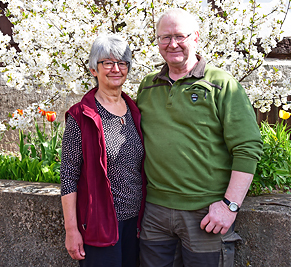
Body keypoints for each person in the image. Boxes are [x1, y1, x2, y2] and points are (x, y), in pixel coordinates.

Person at [136, 8, 263, 267]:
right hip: (155, 213)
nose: (172, 44)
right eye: (164, 37)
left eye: (180, 36)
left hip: (205, 213)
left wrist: (230, 205)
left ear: (195, 37)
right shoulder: (147, 86)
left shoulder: (222, 84)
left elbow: (247, 147)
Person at [60, 34, 146, 267]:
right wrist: (71, 230)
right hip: (99, 225)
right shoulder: (81, 116)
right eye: (107, 63)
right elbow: (68, 176)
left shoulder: (134, 110)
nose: (115, 69)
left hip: (135, 224)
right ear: (93, 70)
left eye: (122, 63)